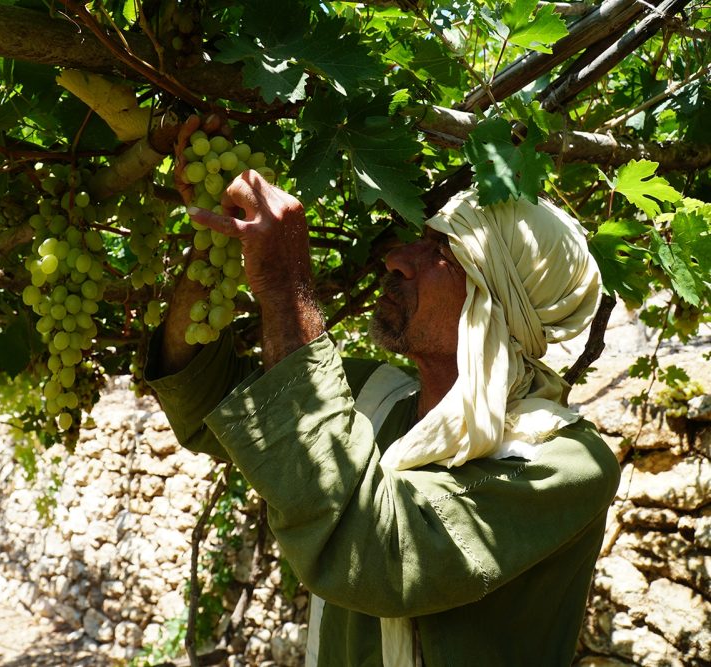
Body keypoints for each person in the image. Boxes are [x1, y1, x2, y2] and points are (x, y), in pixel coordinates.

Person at [144, 124, 620, 666]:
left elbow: (378, 556)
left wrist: (287, 285)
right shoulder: (373, 395)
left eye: (444, 248)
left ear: (497, 302)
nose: (398, 258)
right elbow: (202, 395)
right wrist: (215, 248)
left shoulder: (564, 462)